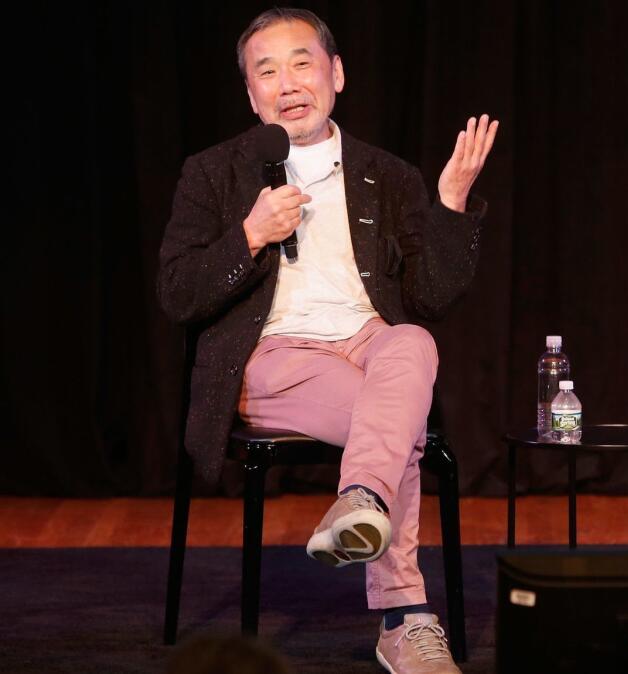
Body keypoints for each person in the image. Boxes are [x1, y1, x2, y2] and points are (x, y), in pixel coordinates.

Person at [157, 8, 498, 674]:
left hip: (368, 340)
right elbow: (176, 293)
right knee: (396, 425)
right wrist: (249, 234)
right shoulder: (213, 173)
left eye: (302, 62)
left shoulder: (388, 174)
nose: (288, 82)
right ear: (252, 95)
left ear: (336, 74)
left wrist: (451, 205)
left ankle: (359, 503)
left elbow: (430, 296)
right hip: (271, 356)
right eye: (267, 70)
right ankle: (404, 619)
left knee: (413, 344)